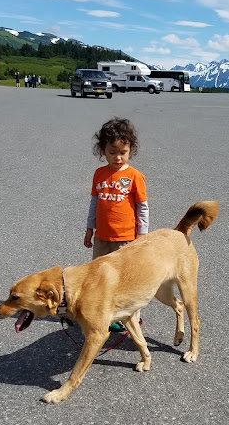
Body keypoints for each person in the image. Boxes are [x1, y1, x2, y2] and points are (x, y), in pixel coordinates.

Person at [84, 117, 148, 331]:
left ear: (131, 150)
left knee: (127, 281)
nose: (118, 157)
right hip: (102, 237)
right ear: (103, 150)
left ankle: (132, 317)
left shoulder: (135, 177)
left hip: (126, 240)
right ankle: (107, 315)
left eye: (123, 152)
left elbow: (142, 208)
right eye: (112, 152)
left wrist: (142, 237)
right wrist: (89, 230)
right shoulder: (99, 174)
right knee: (101, 278)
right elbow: (94, 204)